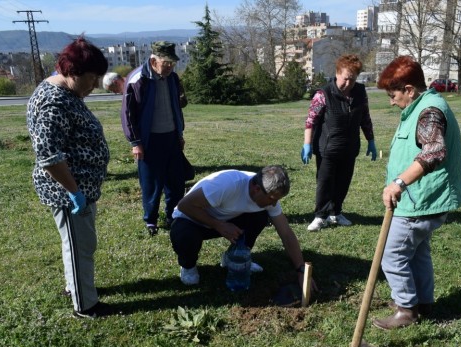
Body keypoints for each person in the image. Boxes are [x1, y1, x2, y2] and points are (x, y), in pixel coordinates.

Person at [372, 56, 461, 330]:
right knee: (417, 252)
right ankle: (422, 301)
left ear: (410, 90)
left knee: (392, 255)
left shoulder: (429, 111)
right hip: (422, 200)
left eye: (393, 94)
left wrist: (398, 183)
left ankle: (406, 309)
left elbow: (434, 152)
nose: (391, 101)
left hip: (421, 199)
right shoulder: (421, 106)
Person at [27, 36, 114, 319]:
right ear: (72, 72)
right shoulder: (53, 102)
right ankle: (85, 305)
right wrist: (74, 191)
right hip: (68, 191)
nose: (95, 84)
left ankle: (74, 287)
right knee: (81, 248)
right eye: (92, 78)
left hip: (80, 187)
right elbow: (49, 157)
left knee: (77, 244)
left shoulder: (68, 93)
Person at [170, 165, 314, 289]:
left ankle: (233, 258)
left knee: (259, 217)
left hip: (225, 221)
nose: (275, 204)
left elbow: (286, 233)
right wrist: (218, 225)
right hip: (192, 219)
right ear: (257, 188)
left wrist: (301, 269)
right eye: (272, 199)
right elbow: (184, 205)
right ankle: (188, 266)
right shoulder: (226, 184)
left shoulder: (269, 194)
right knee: (184, 234)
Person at [301, 54, 377, 232]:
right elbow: (311, 121)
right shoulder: (323, 94)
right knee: (325, 183)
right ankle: (320, 216)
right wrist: (307, 144)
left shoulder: (360, 92)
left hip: (350, 148)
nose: (348, 83)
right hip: (328, 148)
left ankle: (336, 212)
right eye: (345, 79)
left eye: (352, 79)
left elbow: (365, 118)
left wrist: (371, 141)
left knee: (343, 182)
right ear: (337, 74)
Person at [121, 41, 187, 236]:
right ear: (153, 60)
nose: (170, 67)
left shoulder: (173, 78)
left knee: (175, 182)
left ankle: (173, 215)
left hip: (171, 137)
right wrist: (135, 142)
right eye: (166, 63)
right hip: (149, 141)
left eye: (172, 63)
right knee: (151, 183)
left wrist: (179, 134)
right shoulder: (137, 79)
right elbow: (127, 113)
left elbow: (176, 107)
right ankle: (150, 220)